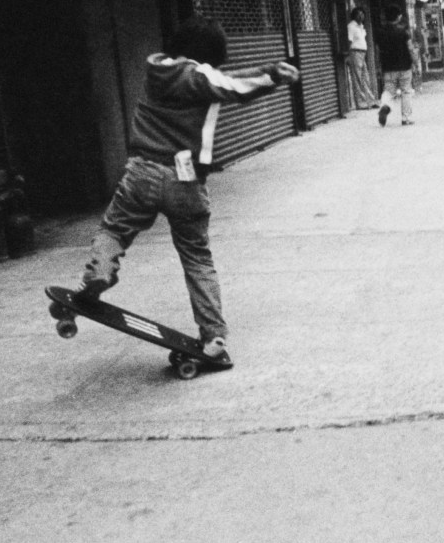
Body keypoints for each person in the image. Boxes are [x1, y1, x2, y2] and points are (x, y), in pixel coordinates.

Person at [62, 20, 296, 369]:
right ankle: (213, 334)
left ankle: (99, 270)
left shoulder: (156, 71)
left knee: (114, 230)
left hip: (141, 172)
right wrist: (272, 74)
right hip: (185, 181)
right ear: (208, 55)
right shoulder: (197, 76)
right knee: (197, 258)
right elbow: (232, 85)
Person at [373, 11, 416, 125]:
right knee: (406, 91)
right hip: (404, 65)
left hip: (388, 67)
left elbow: (377, 51)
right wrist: (415, 62)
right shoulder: (404, 32)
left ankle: (385, 106)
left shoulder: (380, 32)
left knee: (388, 90)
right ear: (398, 17)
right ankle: (406, 118)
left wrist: (378, 66)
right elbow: (410, 48)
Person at [345, 8, 376, 109]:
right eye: (359, 14)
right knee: (357, 78)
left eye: (362, 14)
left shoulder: (361, 27)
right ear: (354, 15)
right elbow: (349, 41)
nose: (361, 16)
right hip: (355, 52)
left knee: (365, 77)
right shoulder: (351, 26)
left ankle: (370, 101)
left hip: (363, 53)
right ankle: (361, 103)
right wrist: (349, 55)